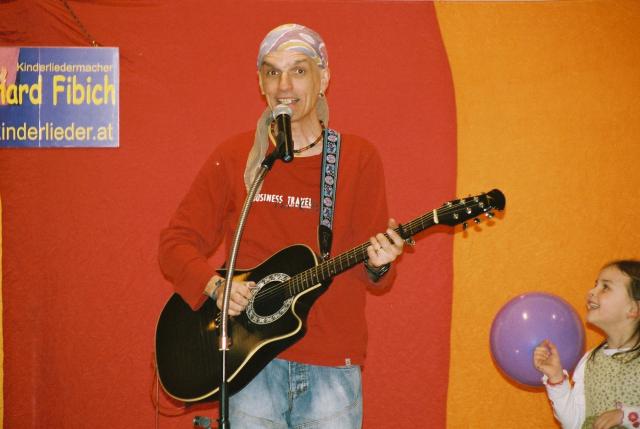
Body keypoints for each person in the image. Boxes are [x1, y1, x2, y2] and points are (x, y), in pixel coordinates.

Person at [158, 23, 404, 428]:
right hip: (248, 364)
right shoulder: (236, 155)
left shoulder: (357, 158)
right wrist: (216, 286)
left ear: (324, 78)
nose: (284, 85)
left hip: (331, 363)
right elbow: (175, 243)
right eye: (272, 72)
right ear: (261, 83)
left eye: (299, 70)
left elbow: (374, 276)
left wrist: (380, 263)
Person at [533, 260, 640, 429]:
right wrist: (556, 378)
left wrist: (627, 416)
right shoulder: (590, 360)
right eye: (596, 285)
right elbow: (575, 423)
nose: (591, 291)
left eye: (605, 287)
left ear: (633, 309)